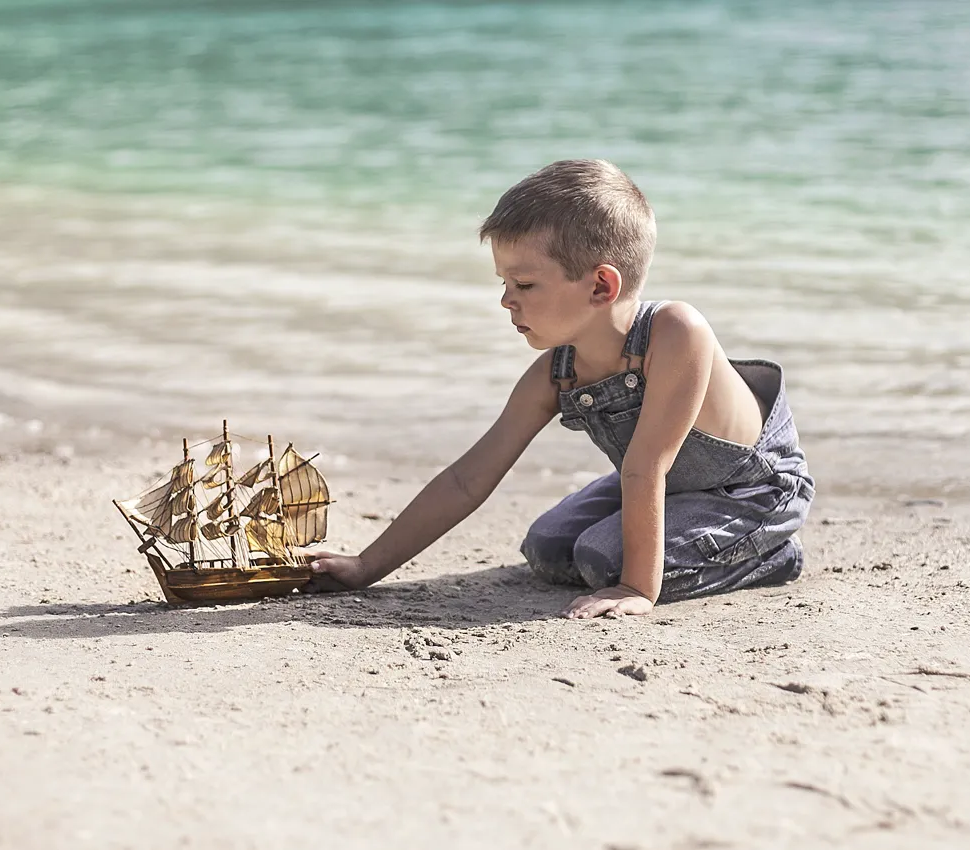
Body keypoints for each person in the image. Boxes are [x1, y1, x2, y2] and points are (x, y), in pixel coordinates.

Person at [308, 159, 814, 618]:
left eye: (524, 285)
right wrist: (365, 565)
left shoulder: (676, 333)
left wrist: (636, 589)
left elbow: (646, 466)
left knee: (604, 557)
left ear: (600, 286)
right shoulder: (559, 371)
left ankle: (768, 552)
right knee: (547, 545)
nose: (507, 300)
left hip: (750, 491)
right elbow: (469, 477)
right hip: (660, 485)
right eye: (503, 284)